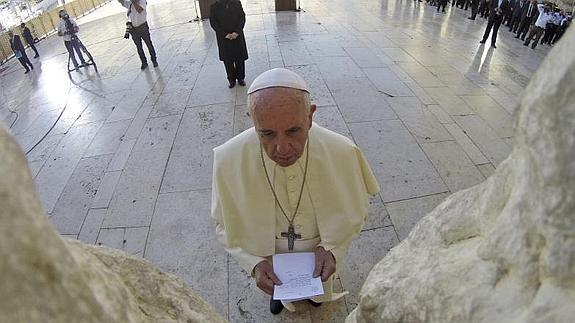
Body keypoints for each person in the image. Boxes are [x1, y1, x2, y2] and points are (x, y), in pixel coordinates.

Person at [211, 68, 379, 315]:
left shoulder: (342, 151)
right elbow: (223, 224)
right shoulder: (228, 159)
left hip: (320, 257)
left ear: (310, 116)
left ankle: (315, 294)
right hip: (270, 261)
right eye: (266, 133)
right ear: (252, 118)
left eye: (293, 131)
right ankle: (280, 296)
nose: (282, 148)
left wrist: (332, 249)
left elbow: (356, 211)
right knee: (276, 291)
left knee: (318, 293)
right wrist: (255, 265)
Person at [209, 0, 248, 88]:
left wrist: (237, 32)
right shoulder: (214, 7)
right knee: (227, 60)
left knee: (239, 58)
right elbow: (214, 23)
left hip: (237, 36)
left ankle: (241, 78)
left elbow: (242, 18)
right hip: (223, 38)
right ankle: (231, 80)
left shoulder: (236, 3)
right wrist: (225, 34)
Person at [117, 0, 157, 70]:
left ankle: (154, 60)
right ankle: (144, 62)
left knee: (149, 44)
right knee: (139, 47)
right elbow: (122, 2)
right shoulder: (130, 4)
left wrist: (133, 2)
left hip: (143, 27)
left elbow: (140, 10)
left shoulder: (142, 1)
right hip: (134, 30)